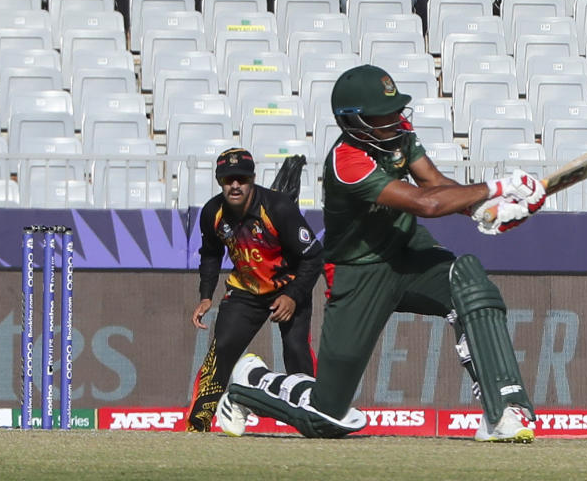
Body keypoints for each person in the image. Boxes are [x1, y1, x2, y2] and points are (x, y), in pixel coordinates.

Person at [215, 65, 545, 442]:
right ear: (354, 121)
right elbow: (427, 203)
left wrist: (484, 210)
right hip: (359, 274)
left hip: (407, 250)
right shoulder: (347, 162)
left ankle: (504, 412)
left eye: (395, 109)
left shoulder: (399, 134)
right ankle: (248, 384)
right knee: (327, 417)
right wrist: (500, 186)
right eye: (382, 114)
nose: (395, 119)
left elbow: (435, 183)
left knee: (468, 278)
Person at [185, 148, 324, 433]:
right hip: (245, 290)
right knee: (221, 348)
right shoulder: (213, 212)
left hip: (288, 286)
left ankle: (315, 416)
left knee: (297, 350)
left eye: (241, 179)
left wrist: (293, 295)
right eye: (227, 180)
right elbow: (210, 254)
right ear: (219, 180)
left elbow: (313, 256)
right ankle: (198, 422)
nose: (235, 185)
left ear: (252, 178)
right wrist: (206, 295)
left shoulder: (278, 208)